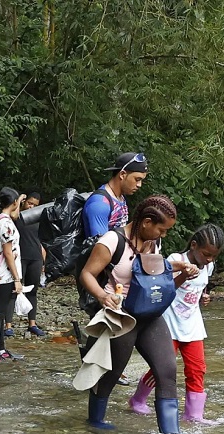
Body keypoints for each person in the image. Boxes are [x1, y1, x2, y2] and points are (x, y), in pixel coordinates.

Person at [79, 195, 199, 432]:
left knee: (167, 370)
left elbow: (155, 269)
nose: (163, 235)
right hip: (121, 316)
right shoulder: (112, 241)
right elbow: (87, 274)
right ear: (146, 222)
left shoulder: (152, 243)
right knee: (111, 374)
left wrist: (183, 269)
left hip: (149, 315)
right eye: (161, 230)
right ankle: (95, 423)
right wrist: (103, 297)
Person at [129, 224, 224, 424]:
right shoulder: (175, 260)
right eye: (206, 254)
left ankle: (194, 414)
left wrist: (203, 297)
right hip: (169, 325)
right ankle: (138, 400)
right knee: (163, 369)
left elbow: (199, 288)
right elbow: (163, 289)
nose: (209, 260)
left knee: (197, 369)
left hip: (193, 326)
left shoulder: (208, 266)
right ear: (194, 245)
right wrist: (183, 275)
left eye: (213, 257)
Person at [82, 151, 148, 386]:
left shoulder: (120, 198)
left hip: (117, 273)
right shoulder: (99, 203)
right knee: (102, 320)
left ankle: (107, 370)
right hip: (100, 274)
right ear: (122, 174)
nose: (139, 185)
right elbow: (98, 245)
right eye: (137, 179)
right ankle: (94, 370)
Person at [0, 187, 26, 361]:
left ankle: (0, 347)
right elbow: (8, 253)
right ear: (14, 202)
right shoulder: (6, 223)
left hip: (2, 272)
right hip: (5, 273)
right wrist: (17, 279)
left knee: (1, 311)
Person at [15, 191, 47, 337]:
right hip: (19, 257)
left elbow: (42, 242)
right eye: (29, 203)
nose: (31, 207)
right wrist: (19, 201)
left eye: (35, 205)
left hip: (35, 257)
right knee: (14, 290)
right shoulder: (17, 217)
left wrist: (43, 262)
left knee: (32, 291)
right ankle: (8, 326)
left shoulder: (38, 220)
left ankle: (32, 324)